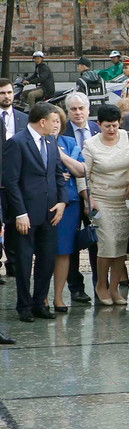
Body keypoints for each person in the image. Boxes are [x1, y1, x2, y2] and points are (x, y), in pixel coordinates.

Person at [2, 102, 67, 321]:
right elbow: (10, 181)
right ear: (42, 122)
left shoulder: (50, 141)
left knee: (47, 259)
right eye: (53, 121)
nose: (56, 125)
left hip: (50, 212)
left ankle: (40, 303)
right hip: (26, 215)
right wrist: (20, 213)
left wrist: (62, 202)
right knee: (23, 260)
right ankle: (24, 305)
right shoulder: (17, 143)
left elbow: (58, 173)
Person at [82, 104, 129, 306]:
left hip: (125, 200)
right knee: (107, 244)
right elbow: (82, 173)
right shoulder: (90, 144)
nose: (111, 130)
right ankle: (101, 285)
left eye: (114, 125)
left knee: (121, 245)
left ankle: (115, 288)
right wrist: (88, 198)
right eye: (107, 126)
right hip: (101, 199)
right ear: (99, 125)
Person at [62, 92, 99, 304]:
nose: (77, 112)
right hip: (70, 198)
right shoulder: (62, 131)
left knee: (95, 241)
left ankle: (98, 285)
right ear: (68, 112)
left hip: (96, 196)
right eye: (73, 109)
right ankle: (75, 287)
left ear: (88, 110)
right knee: (72, 243)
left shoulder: (96, 129)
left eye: (81, 108)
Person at [50, 107, 87, 312]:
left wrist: (61, 156)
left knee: (64, 251)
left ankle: (58, 297)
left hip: (70, 203)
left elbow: (79, 170)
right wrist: (56, 177)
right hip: (44, 203)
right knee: (44, 251)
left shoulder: (69, 143)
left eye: (58, 121)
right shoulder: (31, 144)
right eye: (51, 121)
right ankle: (41, 296)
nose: (55, 125)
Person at [0, 78, 29, 280]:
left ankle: (13, 263)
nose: (7, 96)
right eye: (2, 93)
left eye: (9, 92)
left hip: (16, 180)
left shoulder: (23, 119)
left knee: (14, 223)